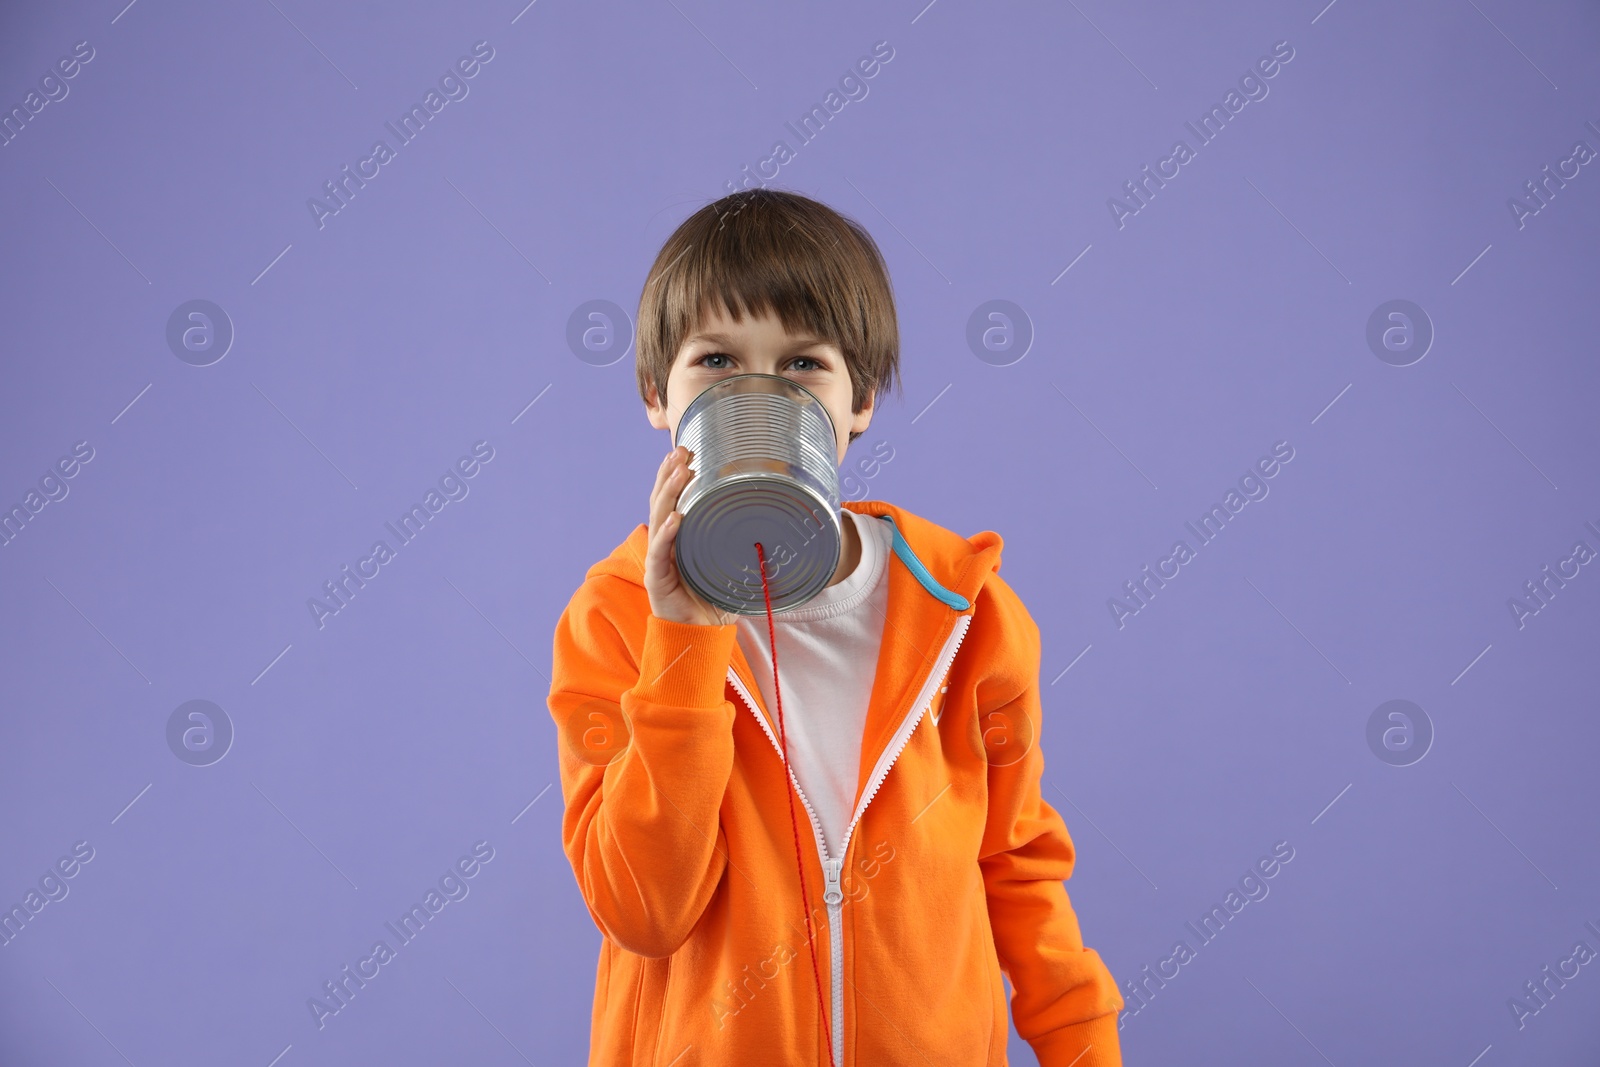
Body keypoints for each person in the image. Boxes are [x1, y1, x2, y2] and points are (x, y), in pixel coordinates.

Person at [547, 188, 1124, 1065]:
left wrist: (1086, 1048)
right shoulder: (617, 617)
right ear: (656, 396)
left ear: (859, 403)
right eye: (716, 361)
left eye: (803, 366)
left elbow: (1019, 866)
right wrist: (688, 637)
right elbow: (644, 911)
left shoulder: (968, 616)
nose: (760, 395)